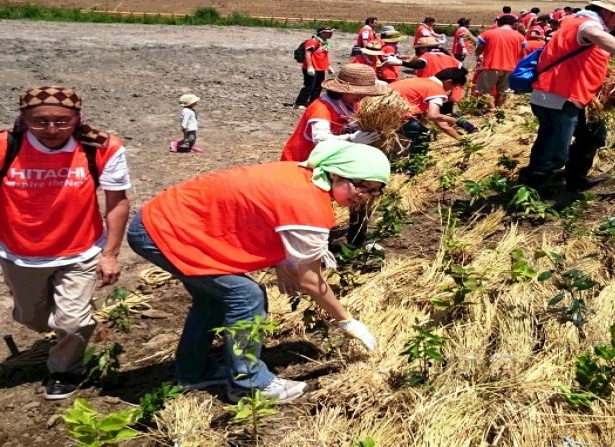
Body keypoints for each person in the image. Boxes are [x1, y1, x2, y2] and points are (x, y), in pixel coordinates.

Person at [127, 140, 390, 403]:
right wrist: (347, 321)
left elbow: (262, 214)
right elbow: (310, 281)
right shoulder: (308, 203)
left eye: (373, 191)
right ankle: (249, 384)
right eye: (360, 184)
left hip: (168, 220)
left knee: (213, 299)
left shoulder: (300, 176)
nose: (362, 195)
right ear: (335, 172)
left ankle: (195, 372)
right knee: (247, 297)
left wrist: (283, 262)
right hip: (164, 231)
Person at [0, 86, 131, 400]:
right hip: (19, 252)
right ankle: (65, 329)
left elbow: (117, 202)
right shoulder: (6, 145)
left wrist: (110, 253)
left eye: (62, 121)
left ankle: (64, 370)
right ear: (23, 119)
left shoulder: (102, 147)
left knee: (71, 322)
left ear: (78, 118)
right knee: (30, 317)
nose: (51, 130)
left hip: (81, 249)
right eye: (39, 122)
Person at [518, 0, 615, 192]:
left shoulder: (585, 22)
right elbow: (594, 34)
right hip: (557, 96)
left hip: (579, 97)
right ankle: (531, 191)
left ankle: (576, 179)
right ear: (609, 11)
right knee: (554, 151)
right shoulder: (586, 24)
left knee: (594, 136)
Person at [281, 63, 385, 161]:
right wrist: (351, 138)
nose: (362, 96)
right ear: (342, 89)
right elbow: (320, 140)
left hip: (329, 157)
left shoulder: (353, 103)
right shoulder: (321, 107)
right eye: (357, 92)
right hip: (303, 160)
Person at [389, 68, 470, 156]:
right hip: (392, 113)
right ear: (449, 82)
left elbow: (440, 123)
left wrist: (461, 139)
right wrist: (451, 119)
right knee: (422, 135)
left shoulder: (424, 82)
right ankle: (413, 167)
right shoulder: (436, 90)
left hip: (381, 111)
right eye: (455, 86)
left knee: (418, 123)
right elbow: (433, 115)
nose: (452, 90)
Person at [474, 15, 526, 112]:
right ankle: (498, 110)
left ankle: (492, 109)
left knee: (485, 90)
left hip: (491, 65)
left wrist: (479, 57)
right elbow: (522, 55)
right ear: (514, 24)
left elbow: (478, 50)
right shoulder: (520, 37)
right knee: (503, 91)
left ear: (498, 23)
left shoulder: (487, 34)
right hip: (511, 67)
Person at [293, 26, 335, 110]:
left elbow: (324, 55)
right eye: (329, 32)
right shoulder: (313, 42)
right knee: (309, 86)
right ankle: (299, 103)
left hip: (320, 68)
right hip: (312, 68)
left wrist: (328, 66)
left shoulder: (324, 43)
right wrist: (309, 66)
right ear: (322, 33)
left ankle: (313, 102)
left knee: (318, 86)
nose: (331, 34)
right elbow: (307, 54)